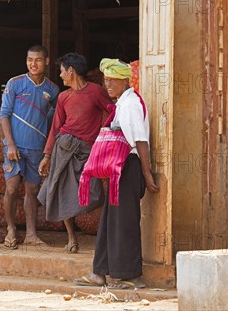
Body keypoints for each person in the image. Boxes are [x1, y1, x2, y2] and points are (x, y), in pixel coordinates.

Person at [74, 58, 159, 289]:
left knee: (125, 223)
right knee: (110, 221)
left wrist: (147, 173)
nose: (108, 85)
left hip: (129, 167)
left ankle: (130, 276)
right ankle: (100, 272)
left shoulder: (131, 104)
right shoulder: (123, 102)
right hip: (118, 169)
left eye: (112, 81)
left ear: (124, 81)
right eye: (106, 80)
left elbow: (140, 141)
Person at [37, 53, 112, 253]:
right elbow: (56, 127)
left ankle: (106, 238)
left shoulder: (96, 92)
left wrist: (105, 138)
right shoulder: (63, 97)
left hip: (88, 152)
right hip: (63, 149)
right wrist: (46, 156)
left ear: (71, 71)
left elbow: (112, 112)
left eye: (62, 71)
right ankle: (71, 238)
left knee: (94, 195)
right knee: (61, 192)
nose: (60, 75)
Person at [0, 45, 59, 249]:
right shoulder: (15, 84)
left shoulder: (52, 90)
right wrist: (10, 145)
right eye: (29, 60)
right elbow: (4, 115)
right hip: (14, 147)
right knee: (12, 187)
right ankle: (11, 230)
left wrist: (47, 150)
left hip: (37, 148)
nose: (33, 64)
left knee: (32, 190)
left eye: (38, 60)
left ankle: (31, 235)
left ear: (47, 62)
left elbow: (55, 119)